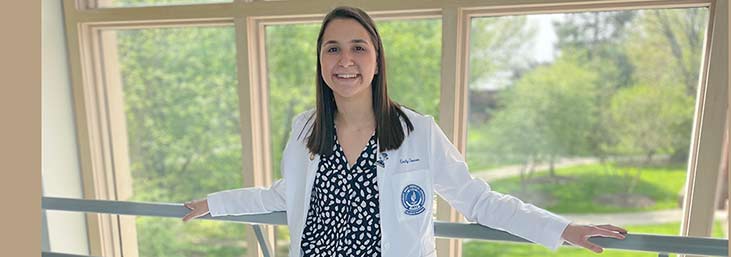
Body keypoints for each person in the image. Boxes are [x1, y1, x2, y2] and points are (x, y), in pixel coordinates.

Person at [182, 6, 627, 257]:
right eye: (332, 49)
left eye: (358, 48)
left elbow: (477, 200)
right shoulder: (305, 130)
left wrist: (562, 228)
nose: (345, 60)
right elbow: (282, 197)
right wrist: (212, 204)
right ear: (320, 62)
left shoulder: (417, 131)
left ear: (376, 60)